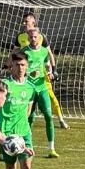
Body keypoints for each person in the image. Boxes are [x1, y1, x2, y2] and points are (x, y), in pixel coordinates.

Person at [14, 12, 69, 130]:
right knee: (24, 98)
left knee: (51, 96)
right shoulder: (20, 36)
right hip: (26, 75)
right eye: (23, 21)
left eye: (26, 21)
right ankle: (22, 122)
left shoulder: (41, 36)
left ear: (33, 22)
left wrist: (54, 70)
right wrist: (7, 66)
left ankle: (61, 119)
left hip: (41, 75)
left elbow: (49, 54)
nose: (23, 23)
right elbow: (14, 54)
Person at [0, 51, 37, 169]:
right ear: (12, 66)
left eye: (23, 65)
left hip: (23, 133)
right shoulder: (4, 85)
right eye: (17, 65)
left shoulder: (31, 87)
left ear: (27, 66)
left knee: (27, 166)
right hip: (6, 135)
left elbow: (28, 111)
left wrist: (22, 130)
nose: (20, 68)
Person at [21, 28, 59, 158]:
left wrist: (49, 72)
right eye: (31, 37)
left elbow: (47, 64)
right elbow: (18, 69)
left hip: (42, 87)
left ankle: (51, 149)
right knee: (29, 118)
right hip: (29, 89)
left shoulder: (43, 51)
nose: (33, 39)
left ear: (39, 38)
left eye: (35, 37)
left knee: (48, 116)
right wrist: (28, 73)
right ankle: (27, 146)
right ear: (28, 38)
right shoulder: (24, 52)